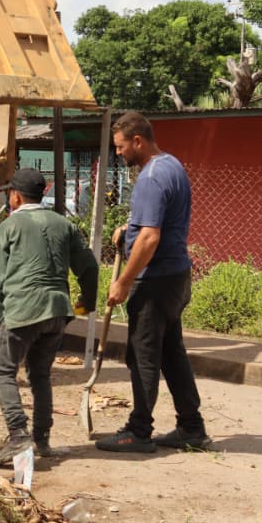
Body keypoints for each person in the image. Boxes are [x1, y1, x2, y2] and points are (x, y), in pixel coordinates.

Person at [95, 112, 211, 453]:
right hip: (176, 277)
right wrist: (128, 229)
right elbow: (152, 223)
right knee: (171, 353)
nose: (118, 153)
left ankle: (139, 431)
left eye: (120, 147)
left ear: (138, 141)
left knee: (143, 355)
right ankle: (191, 427)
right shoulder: (171, 166)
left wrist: (124, 282)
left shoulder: (150, 177)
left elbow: (149, 237)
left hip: (155, 280)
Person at [0, 167, 99, 466]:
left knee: (1, 370)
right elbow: (89, 267)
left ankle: (18, 435)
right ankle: (42, 439)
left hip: (23, 309)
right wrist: (87, 301)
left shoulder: (8, 227)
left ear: (15, 197)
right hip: (57, 311)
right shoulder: (65, 224)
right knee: (40, 374)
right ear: (42, 194)